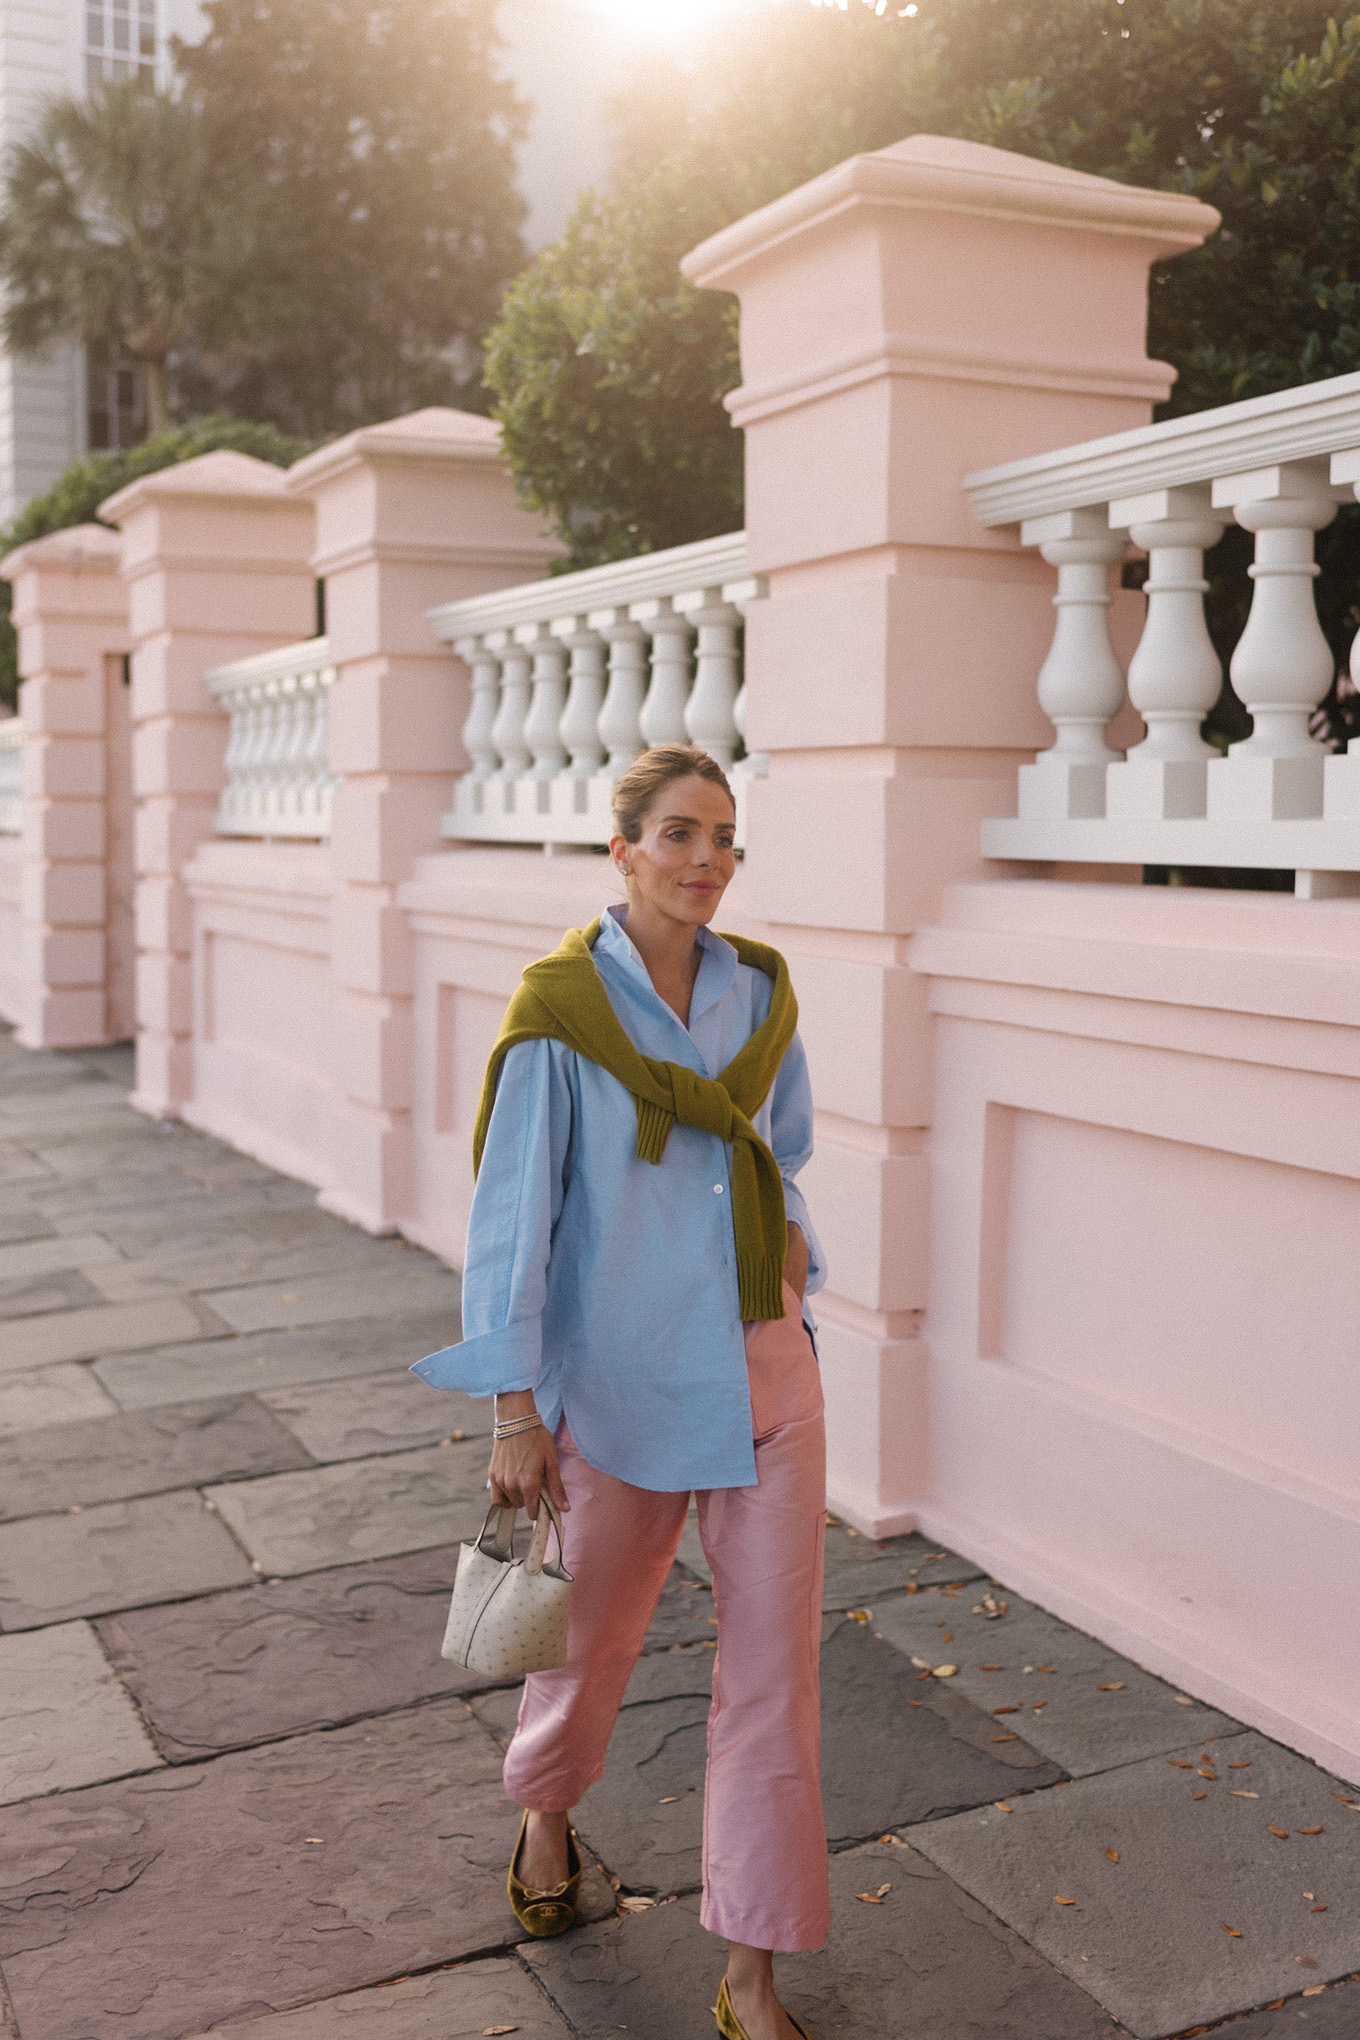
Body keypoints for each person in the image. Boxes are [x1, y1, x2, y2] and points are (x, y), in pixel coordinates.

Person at [413, 743, 829, 2040]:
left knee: (776, 1681)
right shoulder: (558, 1013)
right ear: (623, 850)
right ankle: (546, 1819)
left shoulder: (760, 993)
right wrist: (517, 1410)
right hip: (624, 1388)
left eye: (724, 838)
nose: (706, 860)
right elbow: (511, 1224)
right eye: (679, 835)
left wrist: (796, 1278)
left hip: (768, 1376)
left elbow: (784, 1152)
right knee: (586, 1650)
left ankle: (752, 1973)